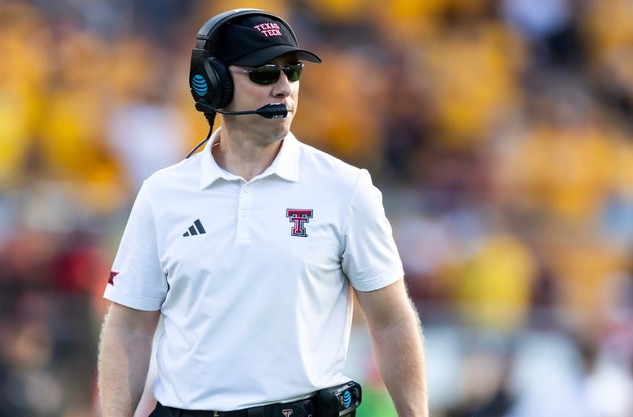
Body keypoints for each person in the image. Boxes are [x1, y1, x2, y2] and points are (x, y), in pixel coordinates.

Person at [97, 8, 428, 417]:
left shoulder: (346, 188)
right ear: (212, 82)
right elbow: (129, 327)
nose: (284, 87)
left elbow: (392, 321)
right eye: (264, 73)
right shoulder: (162, 194)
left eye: (292, 72)